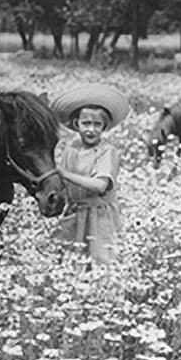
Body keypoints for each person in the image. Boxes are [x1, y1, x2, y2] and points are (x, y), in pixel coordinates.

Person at [50, 84, 129, 264]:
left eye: (97, 124)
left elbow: (100, 185)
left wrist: (65, 174)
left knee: (100, 260)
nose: (91, 129)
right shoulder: (71, 150)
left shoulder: (107, 151)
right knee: (68, 260)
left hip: (99, 216)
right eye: (86, 123)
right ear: (76, 125)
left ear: (104, 127)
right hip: (74, 214)